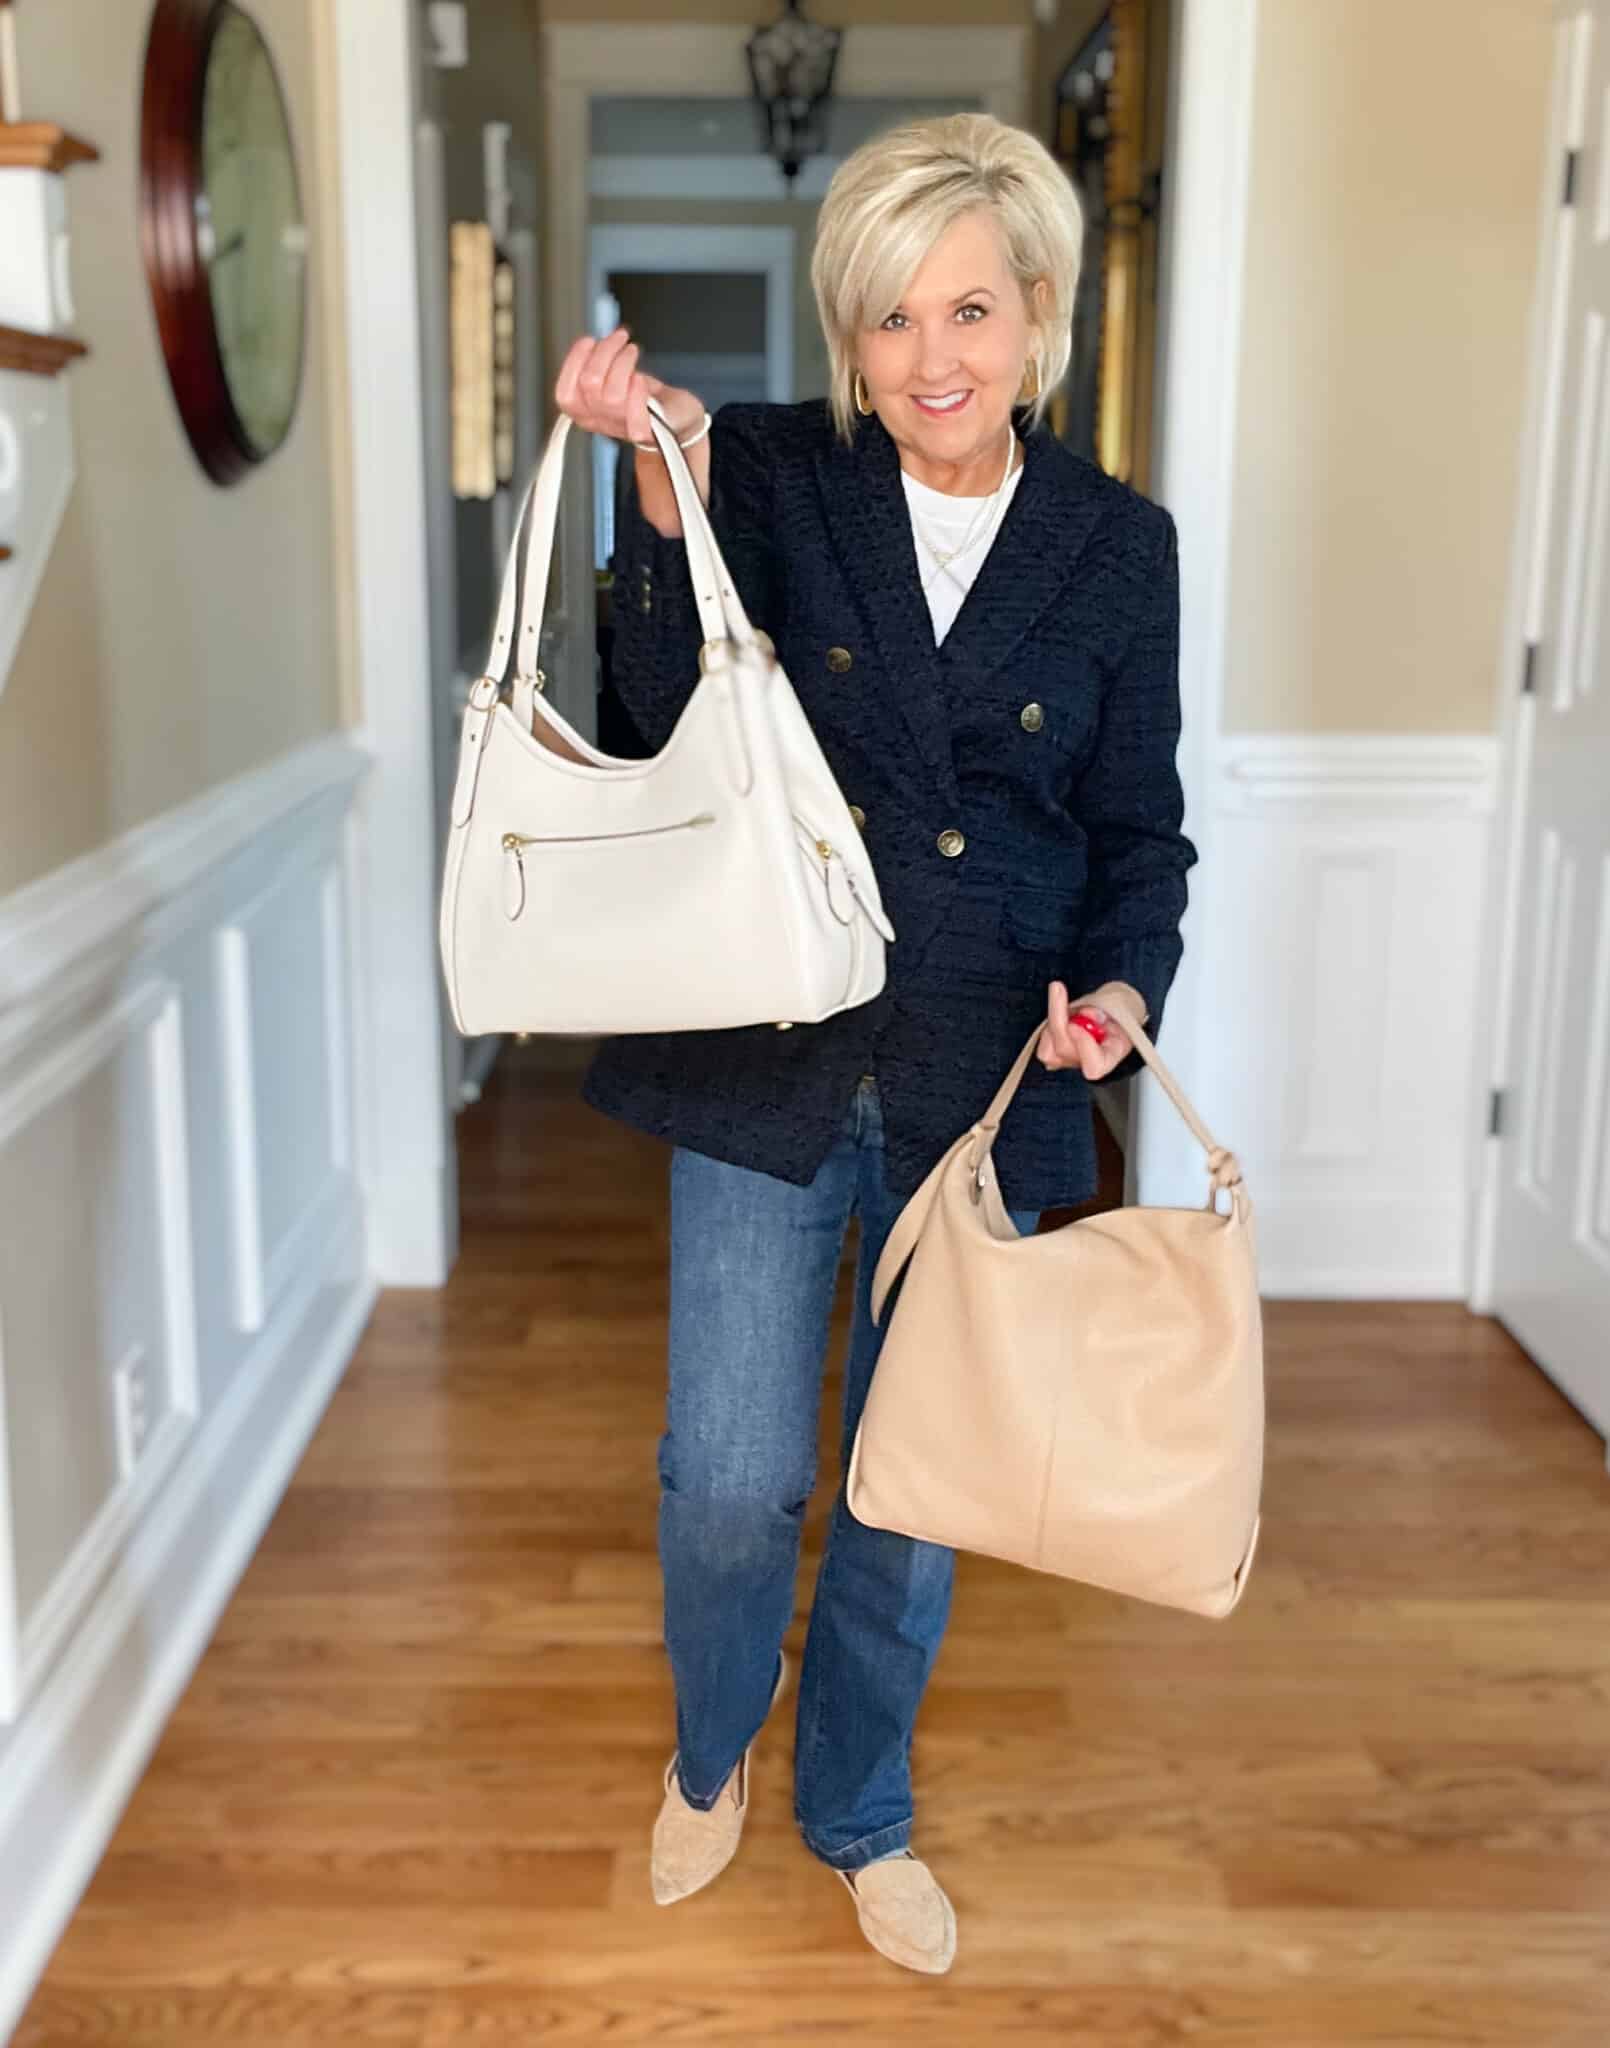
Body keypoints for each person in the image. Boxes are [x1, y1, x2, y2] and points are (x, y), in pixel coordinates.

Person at [553, 112, 1197, 1975]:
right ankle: (705, 1752)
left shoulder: (1114, 545)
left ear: (1039, 314)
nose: (936, 360)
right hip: (767, 1049)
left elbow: (1137, 825)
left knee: (912, 1494)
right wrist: (657, 511)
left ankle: (858, 1809)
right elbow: (659, 716)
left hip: (985, 1076)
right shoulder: (759, 472)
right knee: (733, 1475)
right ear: (847, 336)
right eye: (893, 319)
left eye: (973, 310)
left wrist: (1125, 984)